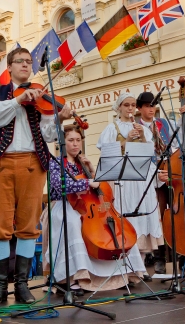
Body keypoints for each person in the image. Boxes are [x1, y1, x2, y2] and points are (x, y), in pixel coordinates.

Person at [0, 47, 72, 305]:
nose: (25, 65)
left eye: (29, 62)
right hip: (2, 162)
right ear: (8, 67)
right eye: (20, 61)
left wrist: (58, 120)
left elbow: (49, 136)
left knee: (28, 226)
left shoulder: (42, 96)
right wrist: (18, 100)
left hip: (34, 163)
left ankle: (21, 285)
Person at [43, 125, 152, 293]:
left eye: (78, 140)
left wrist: (92, 171)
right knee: (72, 222)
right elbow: (58, 186)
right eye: (71, 140)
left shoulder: (82, 163)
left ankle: (126, 271)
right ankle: (74, 276)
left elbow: (100, 188)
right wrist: (87, 182)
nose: (75, 144)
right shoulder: (56, 163)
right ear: (63, 143)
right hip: (63, 204)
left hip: (88, 205)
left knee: (118, 224)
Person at [97, 92, 167, 278]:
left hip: (140, 180)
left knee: (143, 217)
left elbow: (148, 155)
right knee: (128, 219)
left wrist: (144, 138)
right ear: (119, 107)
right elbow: (106, 153)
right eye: (126, 105)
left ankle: (141, 267)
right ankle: (129, 269)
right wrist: (126, 139)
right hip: (123, 181)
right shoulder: (112, 128)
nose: (130, 108)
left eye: (132, 105)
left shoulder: (141, 127)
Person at [135, 91, 185, 274]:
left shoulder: (164, 123)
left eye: (153, 105)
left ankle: (184, 257)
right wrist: (156, 173)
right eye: (147, 106)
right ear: (140, 108)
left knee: (180, 215)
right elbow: (139, 157)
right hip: (153, 177)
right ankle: (160, 258)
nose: (151, 109)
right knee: (160, 217)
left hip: (173, 173)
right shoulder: (136, 128)